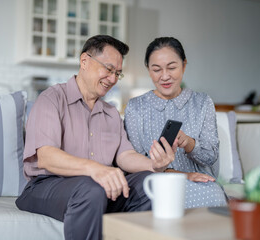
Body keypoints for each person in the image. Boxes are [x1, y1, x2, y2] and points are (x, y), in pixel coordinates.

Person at [15, 35, 174, 240]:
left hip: (95, 188)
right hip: (45, 185)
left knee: (149, 183)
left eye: (118, 73)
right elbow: (47, 157)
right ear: (84, 61)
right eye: (108, 69)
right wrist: (96, 170)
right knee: (91, 189)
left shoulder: (111, 113)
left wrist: (156, 166)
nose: (113, 79)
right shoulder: (52, 99)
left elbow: (125, 155)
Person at [124, 37, 227, 208]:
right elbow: (135, 161)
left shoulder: (202, 102)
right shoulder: (135, 107)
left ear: (184, 65)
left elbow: (210, 157)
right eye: (156, 69)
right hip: (155, 181)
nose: (165, 76)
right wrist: (180, 175)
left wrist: (189, 143)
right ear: (148, 70)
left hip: (199, 180)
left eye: (172, 67)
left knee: (213, 194)